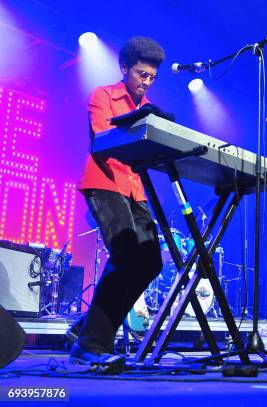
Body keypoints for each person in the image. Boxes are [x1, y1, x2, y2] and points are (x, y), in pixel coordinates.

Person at [68, 36, 165, 363]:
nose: (146, 82)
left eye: (151, 77)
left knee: (151, 262)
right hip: (104, 182)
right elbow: (104, 138)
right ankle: (91, 345)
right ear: (124, 68)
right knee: (125, 254)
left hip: (135, 191)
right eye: (141, 74)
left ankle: (85, 328)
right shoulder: (104, 95)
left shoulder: (146, 108)